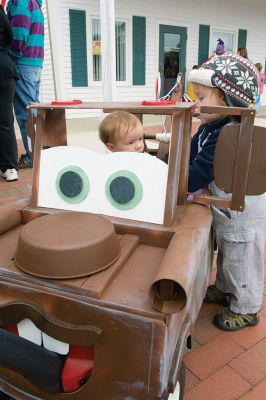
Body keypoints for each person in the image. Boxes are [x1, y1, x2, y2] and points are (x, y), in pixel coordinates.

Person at [188, 51, 266, 331]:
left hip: (241, 214)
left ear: (227, 100)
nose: (195, 105)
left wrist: (172, 182)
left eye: (201, 98)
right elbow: (190, 154)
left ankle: (246, 307)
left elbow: (198, 171)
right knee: (227, 252)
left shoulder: (228, 134)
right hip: (226, 208)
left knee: (240, 257)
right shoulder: (210, 126)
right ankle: (223, 288)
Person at [7, 0, 44, 169]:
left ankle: (33, 157)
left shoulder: (20, 2)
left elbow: (19, 34)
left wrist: (11, 60)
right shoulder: (34, 4)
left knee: (26, 116)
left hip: (23, 64)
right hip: (35, 64)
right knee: (33, 113)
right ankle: (38, 153)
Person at [0, 4, 19, 181]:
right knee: (5, 121)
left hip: (4, 69)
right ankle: (10, 168)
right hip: (4, 67)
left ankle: (10, 167)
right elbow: (9, 34)